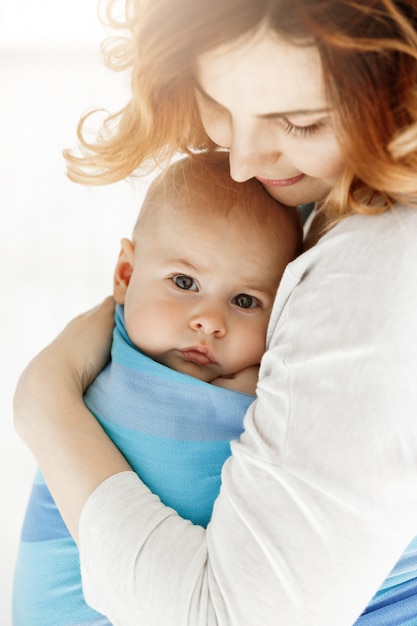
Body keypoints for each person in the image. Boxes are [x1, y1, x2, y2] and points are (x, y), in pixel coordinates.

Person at [13, 0, 417, 624]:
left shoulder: (379, 269)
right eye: (220, 104)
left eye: (301, 123)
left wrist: (45, 401)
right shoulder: (309, 198)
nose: (243, 163)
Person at [13, 153, 302, 626]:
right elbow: (194, 484)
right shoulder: (126, 381)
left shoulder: (87, 364)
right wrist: (250, 396)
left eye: (245, 300)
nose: (209, 320)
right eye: (185, 282)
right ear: (125, 276)